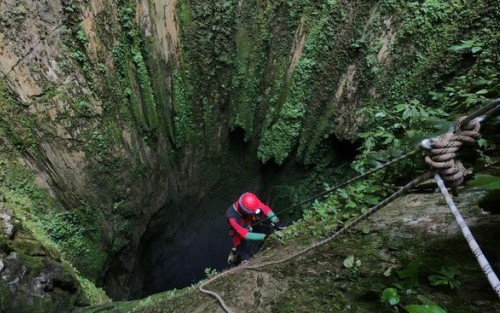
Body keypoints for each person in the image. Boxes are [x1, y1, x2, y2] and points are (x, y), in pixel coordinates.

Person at [226, 192, 284, 266]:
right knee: (247, 258)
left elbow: (265, 209)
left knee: (270, 230)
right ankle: (238, 254)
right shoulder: (232, 216)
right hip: (239, 234)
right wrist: (264, 237)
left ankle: (265, 247)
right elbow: (245, 234)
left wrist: (276, 221)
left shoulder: (252, 201)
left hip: (252, 224)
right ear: (244, 210)